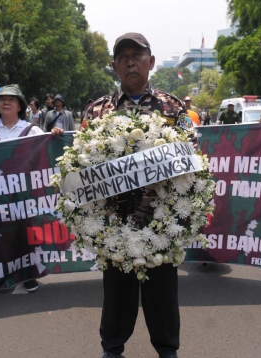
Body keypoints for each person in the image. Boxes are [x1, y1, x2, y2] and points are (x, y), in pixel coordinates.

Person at [84, 32, 185, 358]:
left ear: (151, 62)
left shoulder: (173, 108)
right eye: (123, 56)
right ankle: (112, 348)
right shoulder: (97, 111)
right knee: (117, 292)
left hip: (160, 220)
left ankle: (167, 350)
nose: (130, 61)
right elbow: (82, 166)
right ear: (114, 66)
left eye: (137, 55)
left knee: (162, 293)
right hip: (115, 221)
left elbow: (191, 163)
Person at [0, 85, 63, 292]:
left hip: (25, 194)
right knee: (2, 236)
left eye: (11, 100)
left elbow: (46, 152)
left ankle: (29, 275)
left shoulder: (31, 130)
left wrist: (55, 135)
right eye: (2, 99)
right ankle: (4, 276)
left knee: (27, 234)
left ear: (20, 107)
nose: (6, 102)